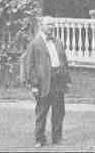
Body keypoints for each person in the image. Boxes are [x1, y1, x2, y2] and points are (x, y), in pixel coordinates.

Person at [21, 16, 71, 147]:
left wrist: (66, 80)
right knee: (42, 111)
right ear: (41, 26)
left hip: (58, 81)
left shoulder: (58, 42)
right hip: (43, 83)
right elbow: (29, 66)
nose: (51, 27)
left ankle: (57, 137)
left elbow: (64, 62)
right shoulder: (34, 44)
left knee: (59, 111)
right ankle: (39, 139)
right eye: (49, 24)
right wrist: (33, 85)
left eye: (53, 25)